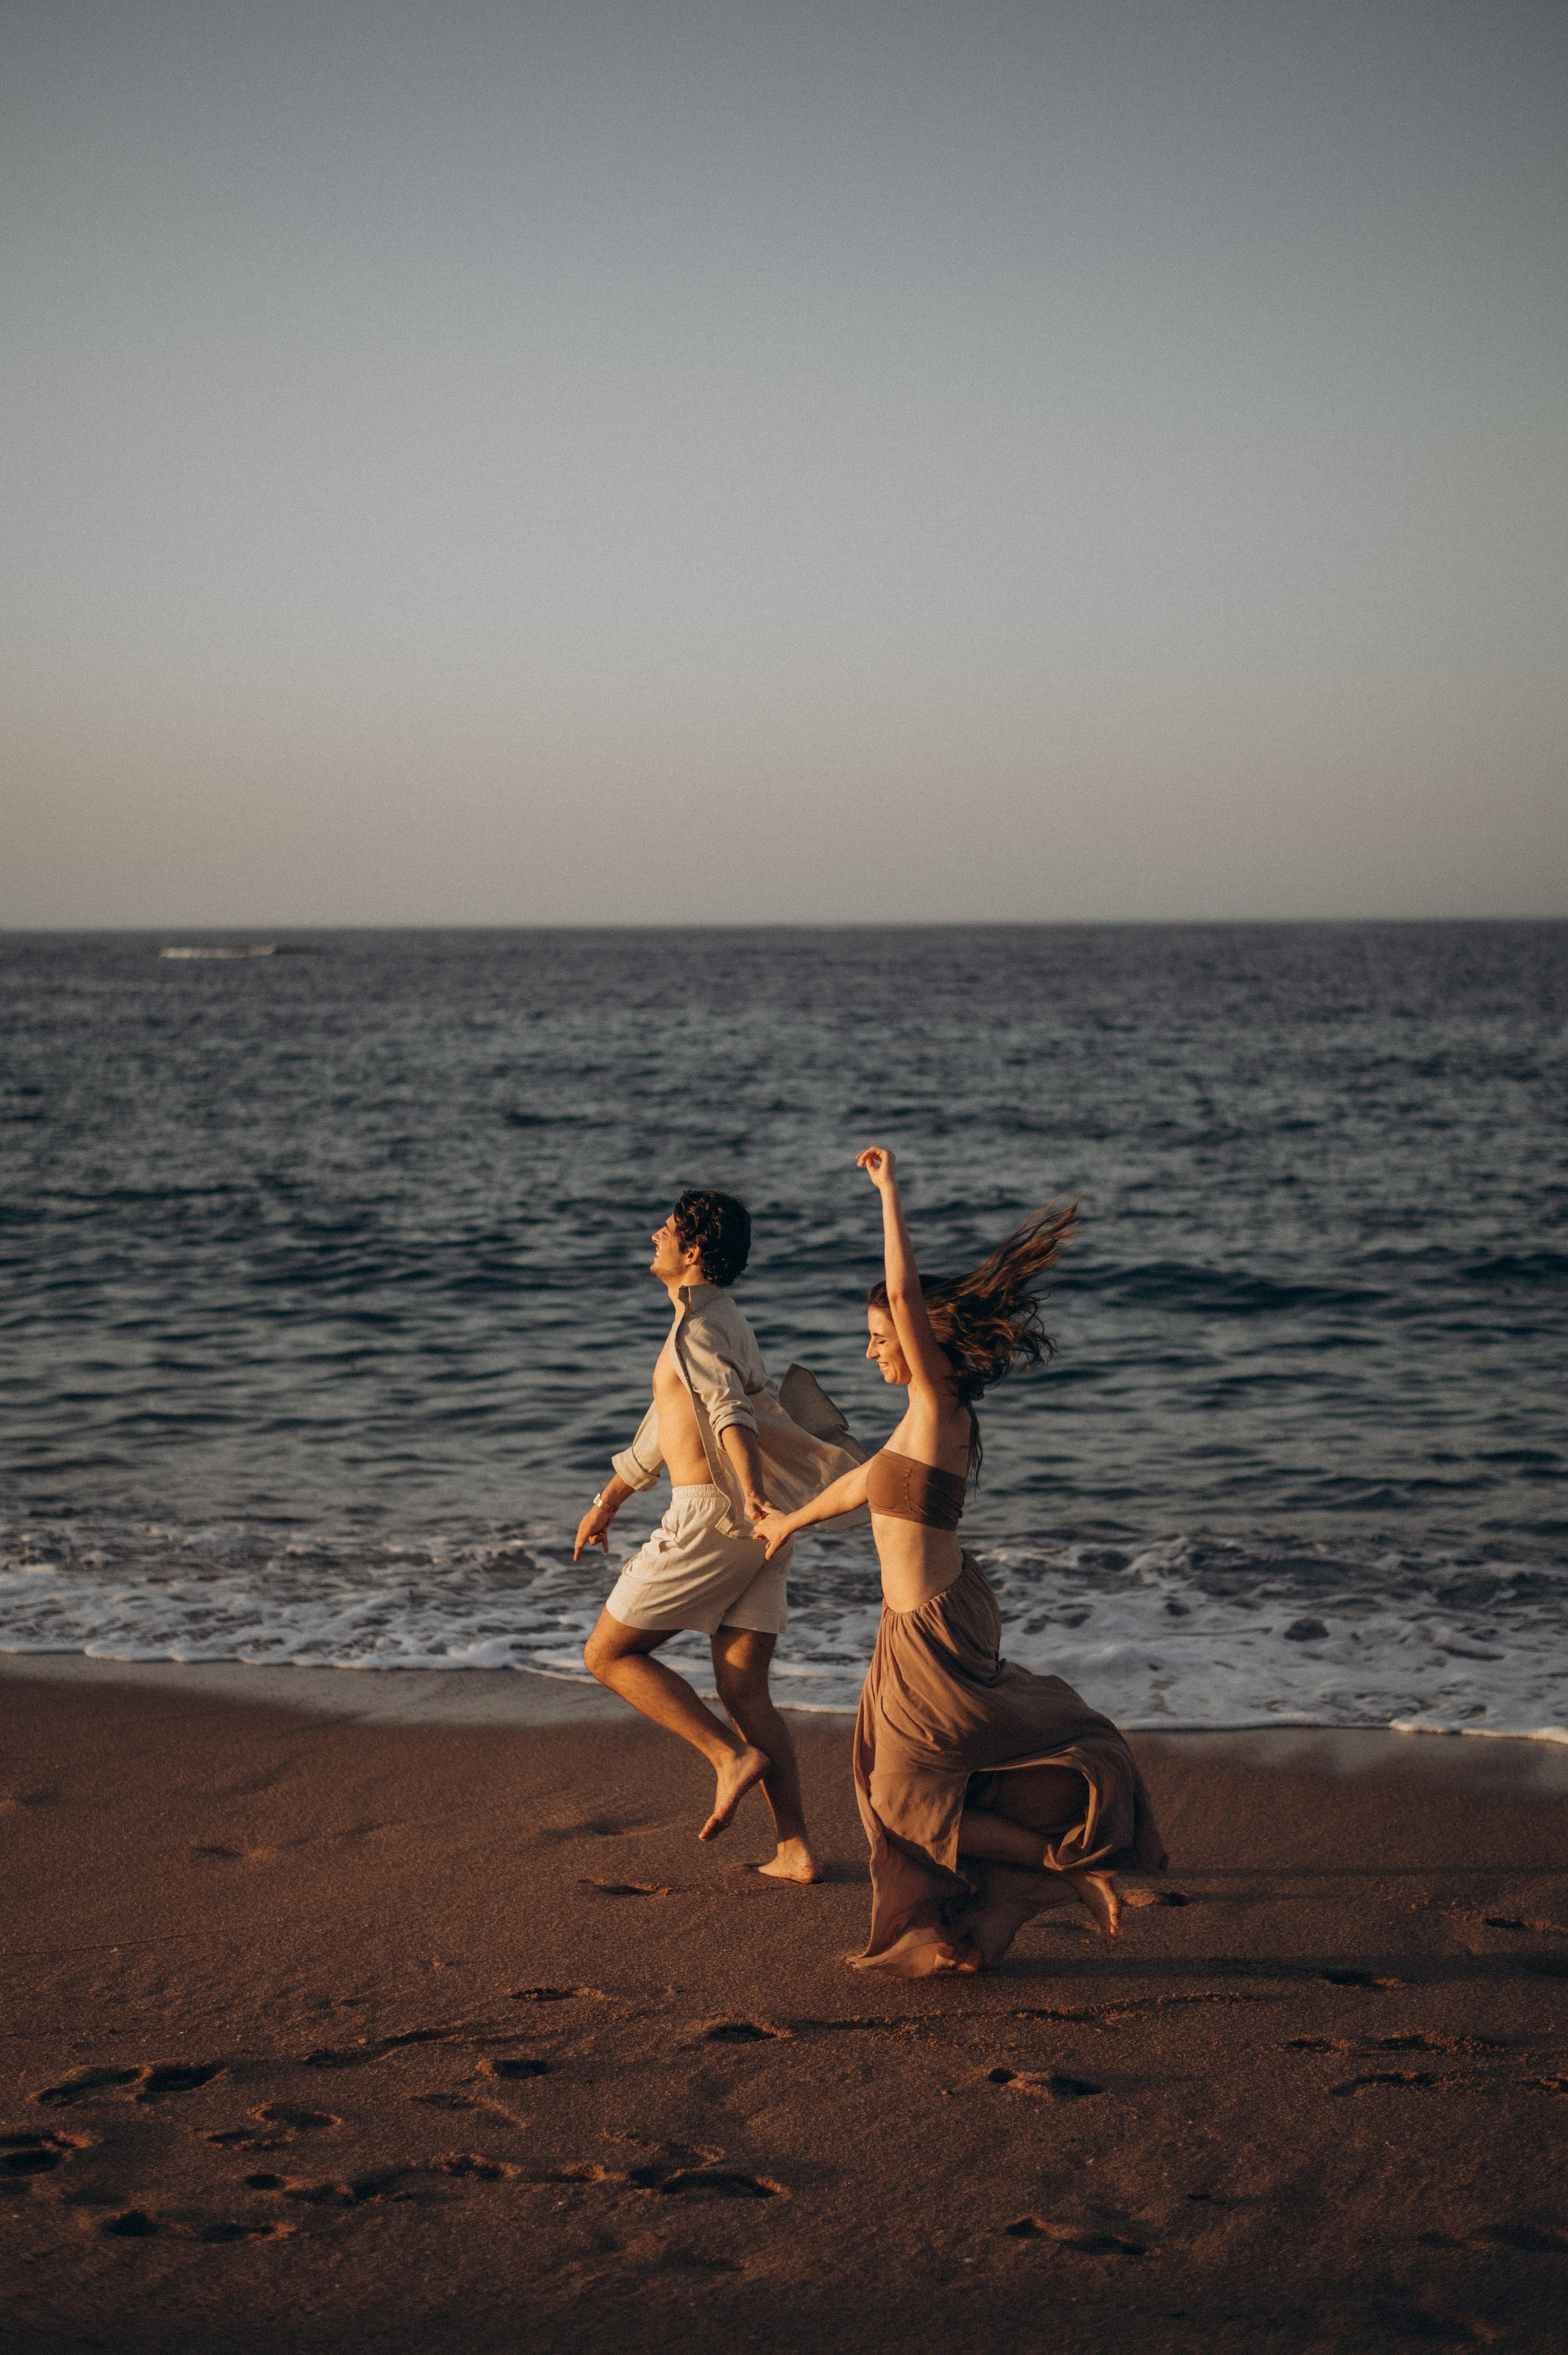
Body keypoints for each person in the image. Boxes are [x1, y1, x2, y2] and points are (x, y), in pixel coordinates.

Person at [753, 1148, 1167, 1975]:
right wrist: (787, 1522)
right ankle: (980, 1921)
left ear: (923, 1342)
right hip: (926, 1614)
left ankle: (1067, 1871)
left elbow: (905, 1294)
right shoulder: (916, 1423)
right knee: (906, 1789)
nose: (873, 1353)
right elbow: (861, 1485)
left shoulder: (940, 1409)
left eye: (882, 1340)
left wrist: (888, 1194)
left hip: (934, 1623)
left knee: (897, 1796)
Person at [576, 1187, 867, 1883]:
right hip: (761, 1529)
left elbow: (727, 1412)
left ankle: (726, 1756)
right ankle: (795, 1847)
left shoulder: (697, 1330)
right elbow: (666, 1419)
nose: (654, 1236)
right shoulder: (719, 1320)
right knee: (745, 1692)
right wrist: (610, 1498)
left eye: (666, 1230)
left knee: (607, 1655)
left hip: (714, 1513)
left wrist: (752, 1493)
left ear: (693, 1250)